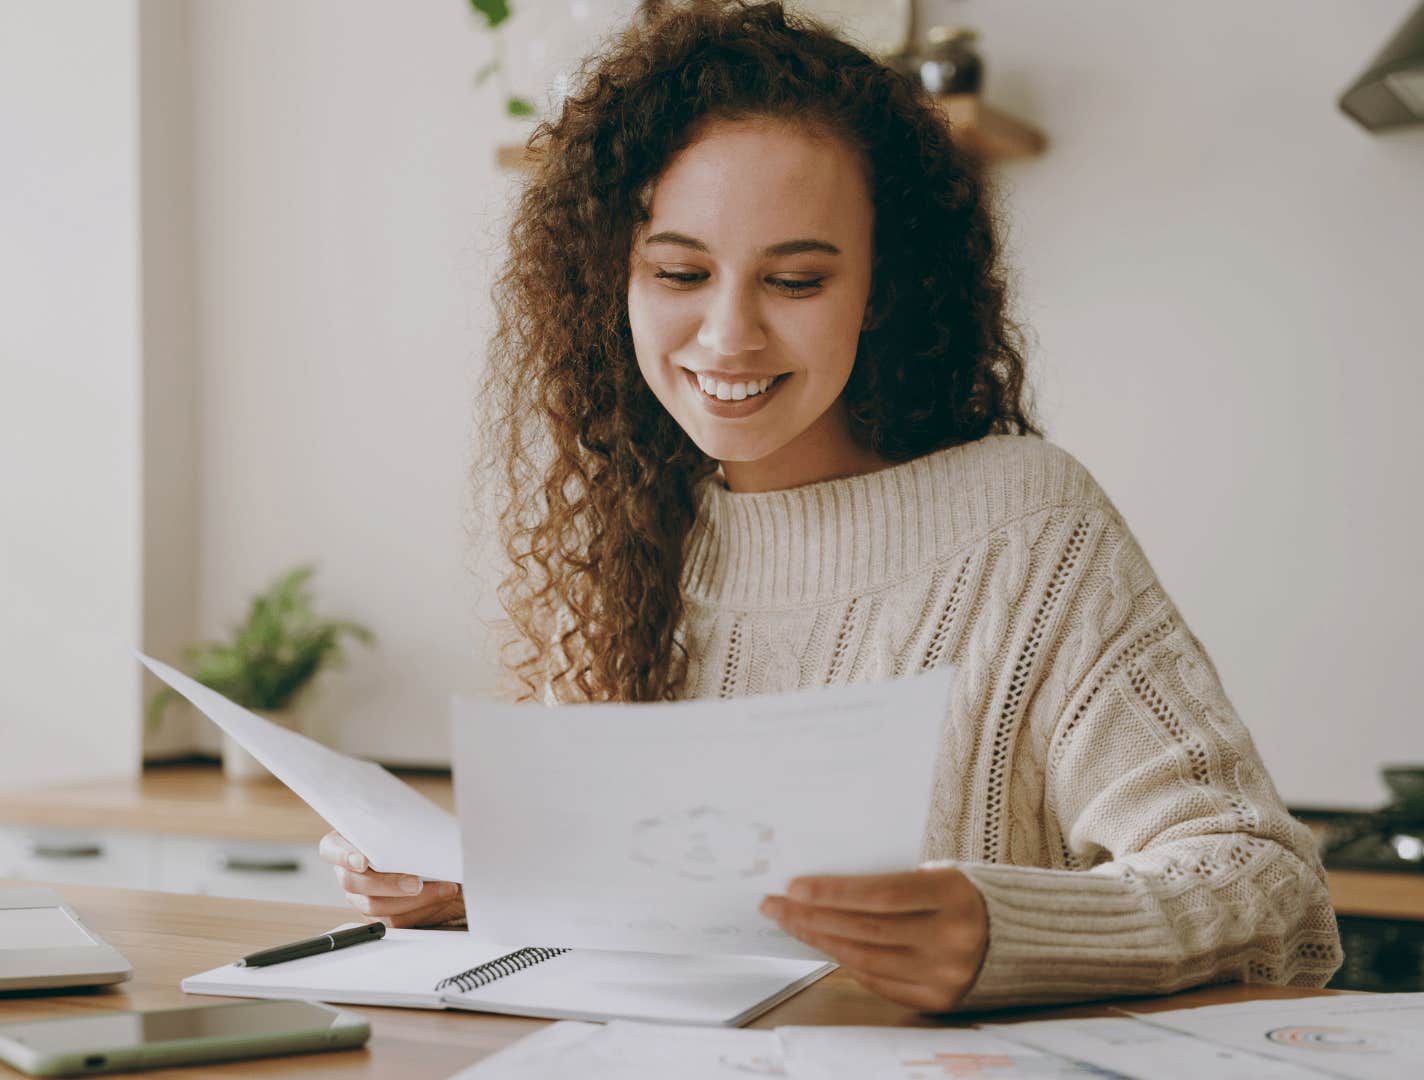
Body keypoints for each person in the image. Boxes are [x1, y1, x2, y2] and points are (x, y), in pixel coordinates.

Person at [318, 0, 1341, 1012]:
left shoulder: (1030, 529)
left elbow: (1267, 885)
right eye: (679, 271)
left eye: (796, 281)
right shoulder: (627, 536)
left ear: (881, 289)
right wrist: (488, 888)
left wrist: (1008, 932)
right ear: (610, 281)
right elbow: (658, 920)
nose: (728, 337)